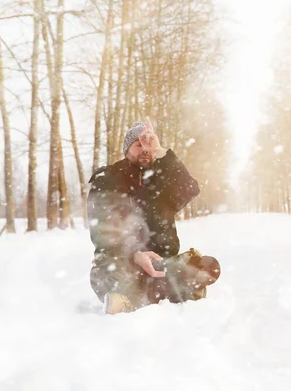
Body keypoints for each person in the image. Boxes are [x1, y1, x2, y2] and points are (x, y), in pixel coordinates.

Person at [87, 118, 220, 314]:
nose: (144, 149)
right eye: (138, 144)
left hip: (161, 263)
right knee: (105, 273)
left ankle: (139, 296)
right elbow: (104, 230)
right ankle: (140, 296)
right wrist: (135, 253)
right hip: (124, 261)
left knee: (207, 266)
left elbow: (190, 189)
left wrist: (162, 153)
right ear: (127, 149)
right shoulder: (108, 179)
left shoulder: (162, 179)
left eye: (149, 143)